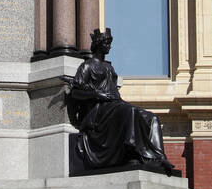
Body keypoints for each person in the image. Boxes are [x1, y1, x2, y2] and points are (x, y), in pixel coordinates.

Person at [67, 28, 177, 175]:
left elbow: (115, 93)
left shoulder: (109, 68)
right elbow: (76, 92)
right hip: (99, 112)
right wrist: (96, 93)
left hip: (114, 106)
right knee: (130, 112)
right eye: (106, 43)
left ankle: (159, 157)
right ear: (99, 44)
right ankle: (131, 151)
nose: (109, 46)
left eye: (109, 43)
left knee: (151, 117)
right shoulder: (87, 66)